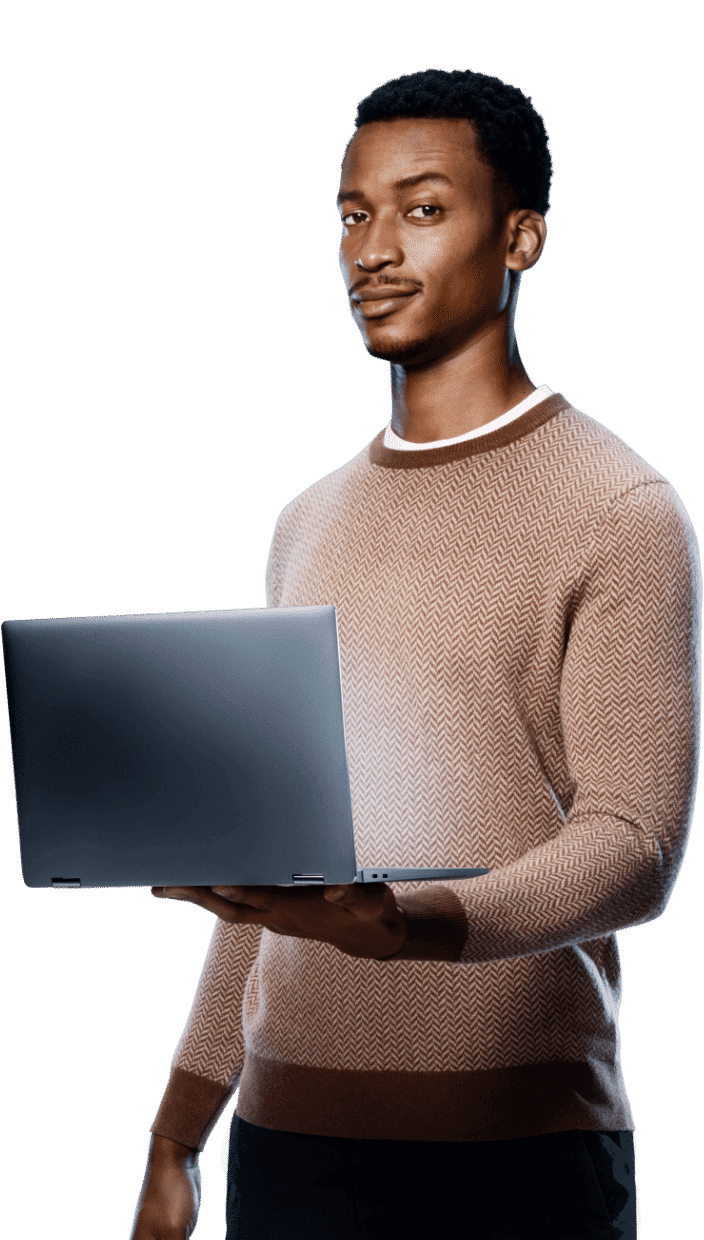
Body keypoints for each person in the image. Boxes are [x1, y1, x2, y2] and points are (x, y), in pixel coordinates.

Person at [128, 67, 701, 1239]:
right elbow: (271, 875)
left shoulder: (620, 509)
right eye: (352, 212)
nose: (372, 250)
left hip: (521, 1154)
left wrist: (407, 920)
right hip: (288, 1151)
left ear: (520, 237)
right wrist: (181, 1125)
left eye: (422, 208)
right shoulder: (306, 521)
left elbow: (633, 842)